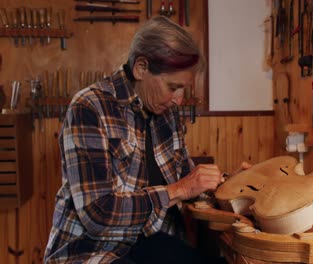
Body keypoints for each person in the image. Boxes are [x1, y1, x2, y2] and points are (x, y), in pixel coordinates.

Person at [44, 16, 237, 263]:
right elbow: (98, 214)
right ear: (141, 68)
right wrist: (179, 190)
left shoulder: (166, 113)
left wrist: (233, 183)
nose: (179, 100)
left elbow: (189, 182)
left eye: (183, 90)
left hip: (149, 241)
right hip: (92, 249)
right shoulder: (89, 107)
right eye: (173, 87)